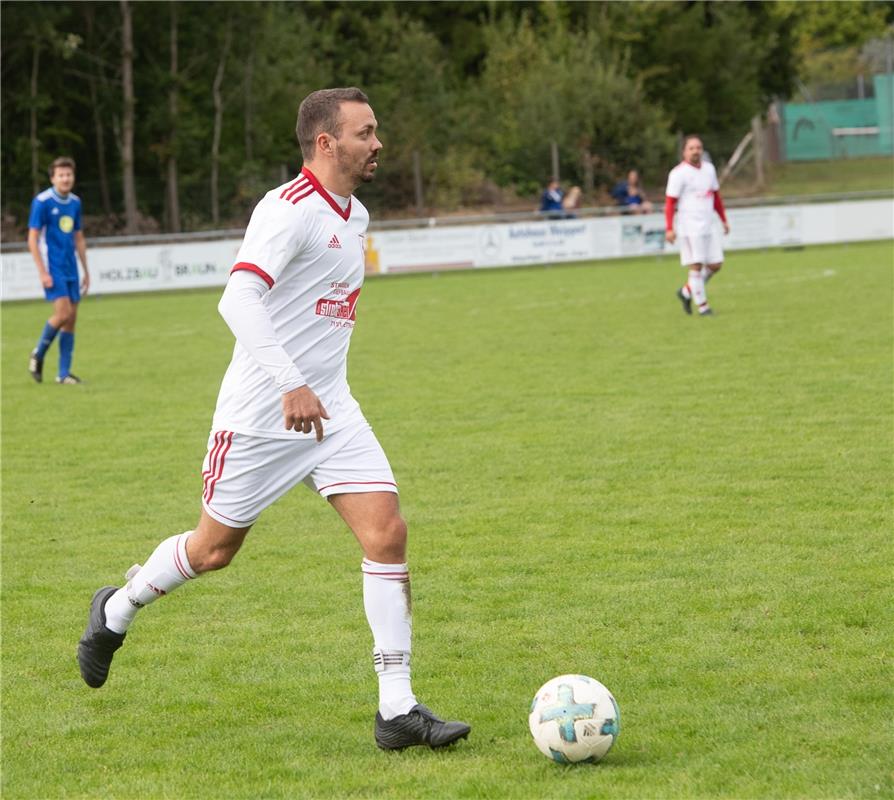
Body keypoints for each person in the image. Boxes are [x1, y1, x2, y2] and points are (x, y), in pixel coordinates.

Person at [76, 87, 471, 752]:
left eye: (376, 131)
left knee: (387, 534)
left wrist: (314, 387)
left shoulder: (358, 215)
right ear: (326, 142)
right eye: (365, 132)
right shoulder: (285, 211)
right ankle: (115, 610)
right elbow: (238, 299)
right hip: (263, 416)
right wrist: (290, 383)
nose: (378, 143)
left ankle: (396, 710)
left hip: (331, 412)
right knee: (213, 551)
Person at [27, 157, 90, 384]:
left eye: (69, 175)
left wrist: (86, 270)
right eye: (61, 175)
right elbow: (32, 239)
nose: (65, 178)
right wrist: (42, 271)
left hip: (70, 267)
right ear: (53, 177)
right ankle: (38, 354)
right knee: (62, 314)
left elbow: (79, 238)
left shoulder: (75, 203)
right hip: (53, 267)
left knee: (71, 319)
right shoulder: (42, 202)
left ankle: (63, 374)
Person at [664, 136, 730, 316]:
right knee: (696, 265)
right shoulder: (678, 173)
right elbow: (670, 203)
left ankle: (686, 291)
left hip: (709, 224)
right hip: (690, 226)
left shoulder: (709, 169)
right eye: (691, 148)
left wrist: (723, 219)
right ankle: (703, 307)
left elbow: (716, 197)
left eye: (698, 147)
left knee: (716, 264)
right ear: (684, 152)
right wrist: (669, 228)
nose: (695, 151)